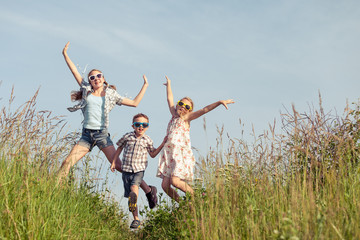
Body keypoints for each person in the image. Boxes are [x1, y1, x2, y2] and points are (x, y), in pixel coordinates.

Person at [57, 42, 157, 208]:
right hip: (86, 136)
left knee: (120, 166)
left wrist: (145, 85)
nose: (96, 79)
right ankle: (57, 196)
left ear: (103, 79)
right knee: (66, 163)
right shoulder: (85, 89)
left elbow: (134, 103)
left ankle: (148, 190)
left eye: (99, 76)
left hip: (102, 135)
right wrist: (65, 54)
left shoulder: (111, 94)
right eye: (92, 77)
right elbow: (74, 71)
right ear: (90, 81)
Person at [156, 76, 235, 202]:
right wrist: (169, 85)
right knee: (165, 186)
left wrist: (219, 102)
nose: (183, 107)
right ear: (177, 105)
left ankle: (198, 199)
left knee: (175, 182)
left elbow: (204, 110)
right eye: (181, 104)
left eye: (187, 107)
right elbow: (169, 98)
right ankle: (183, 205)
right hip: (169, 154)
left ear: (190, 111)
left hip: (180, 154)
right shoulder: (173, 114)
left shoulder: (186, 119)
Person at [111, 113, 167, 229]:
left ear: (147, 127)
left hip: (139, 169)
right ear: (133, 126)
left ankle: (136, 218)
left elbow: (152, 154)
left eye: (144, 124)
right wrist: (114, 162)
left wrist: (162, 144)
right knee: (133, 189)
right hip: (126, 169)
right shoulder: (127, 137)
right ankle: (149, 191)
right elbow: (119, 148)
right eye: (138, 124)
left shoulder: (147, 140)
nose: (141, 126)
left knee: (134, 189)